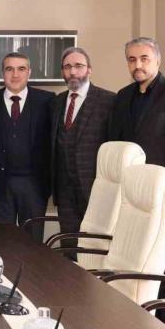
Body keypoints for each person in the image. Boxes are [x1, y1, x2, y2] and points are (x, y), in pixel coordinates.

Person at [109, 37, 165, 280]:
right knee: (131, 252)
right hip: (129, 188)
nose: (138, 65)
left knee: (163, 253)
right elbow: (116, 143)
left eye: (144, 59)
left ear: (157, 60)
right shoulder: (123, 96)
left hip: (161, 187)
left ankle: (164, 303)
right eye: (132, 59)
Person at [0, 52, 53, 241]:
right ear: (2, 73)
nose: (15, 74)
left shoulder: (47, 101)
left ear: (29, 72)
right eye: (9, 69)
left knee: (33, 241)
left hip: (35, 185)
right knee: (2, 241)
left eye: (21, 69)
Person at [50, 47, 115, 242]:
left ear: (89, 70)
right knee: (68, 242)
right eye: (67, 67)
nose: (73, 71)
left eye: (78, 66)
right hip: (64, 189)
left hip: (96, 187)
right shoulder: (57, 102)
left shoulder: (109, 101)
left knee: (95, 245)